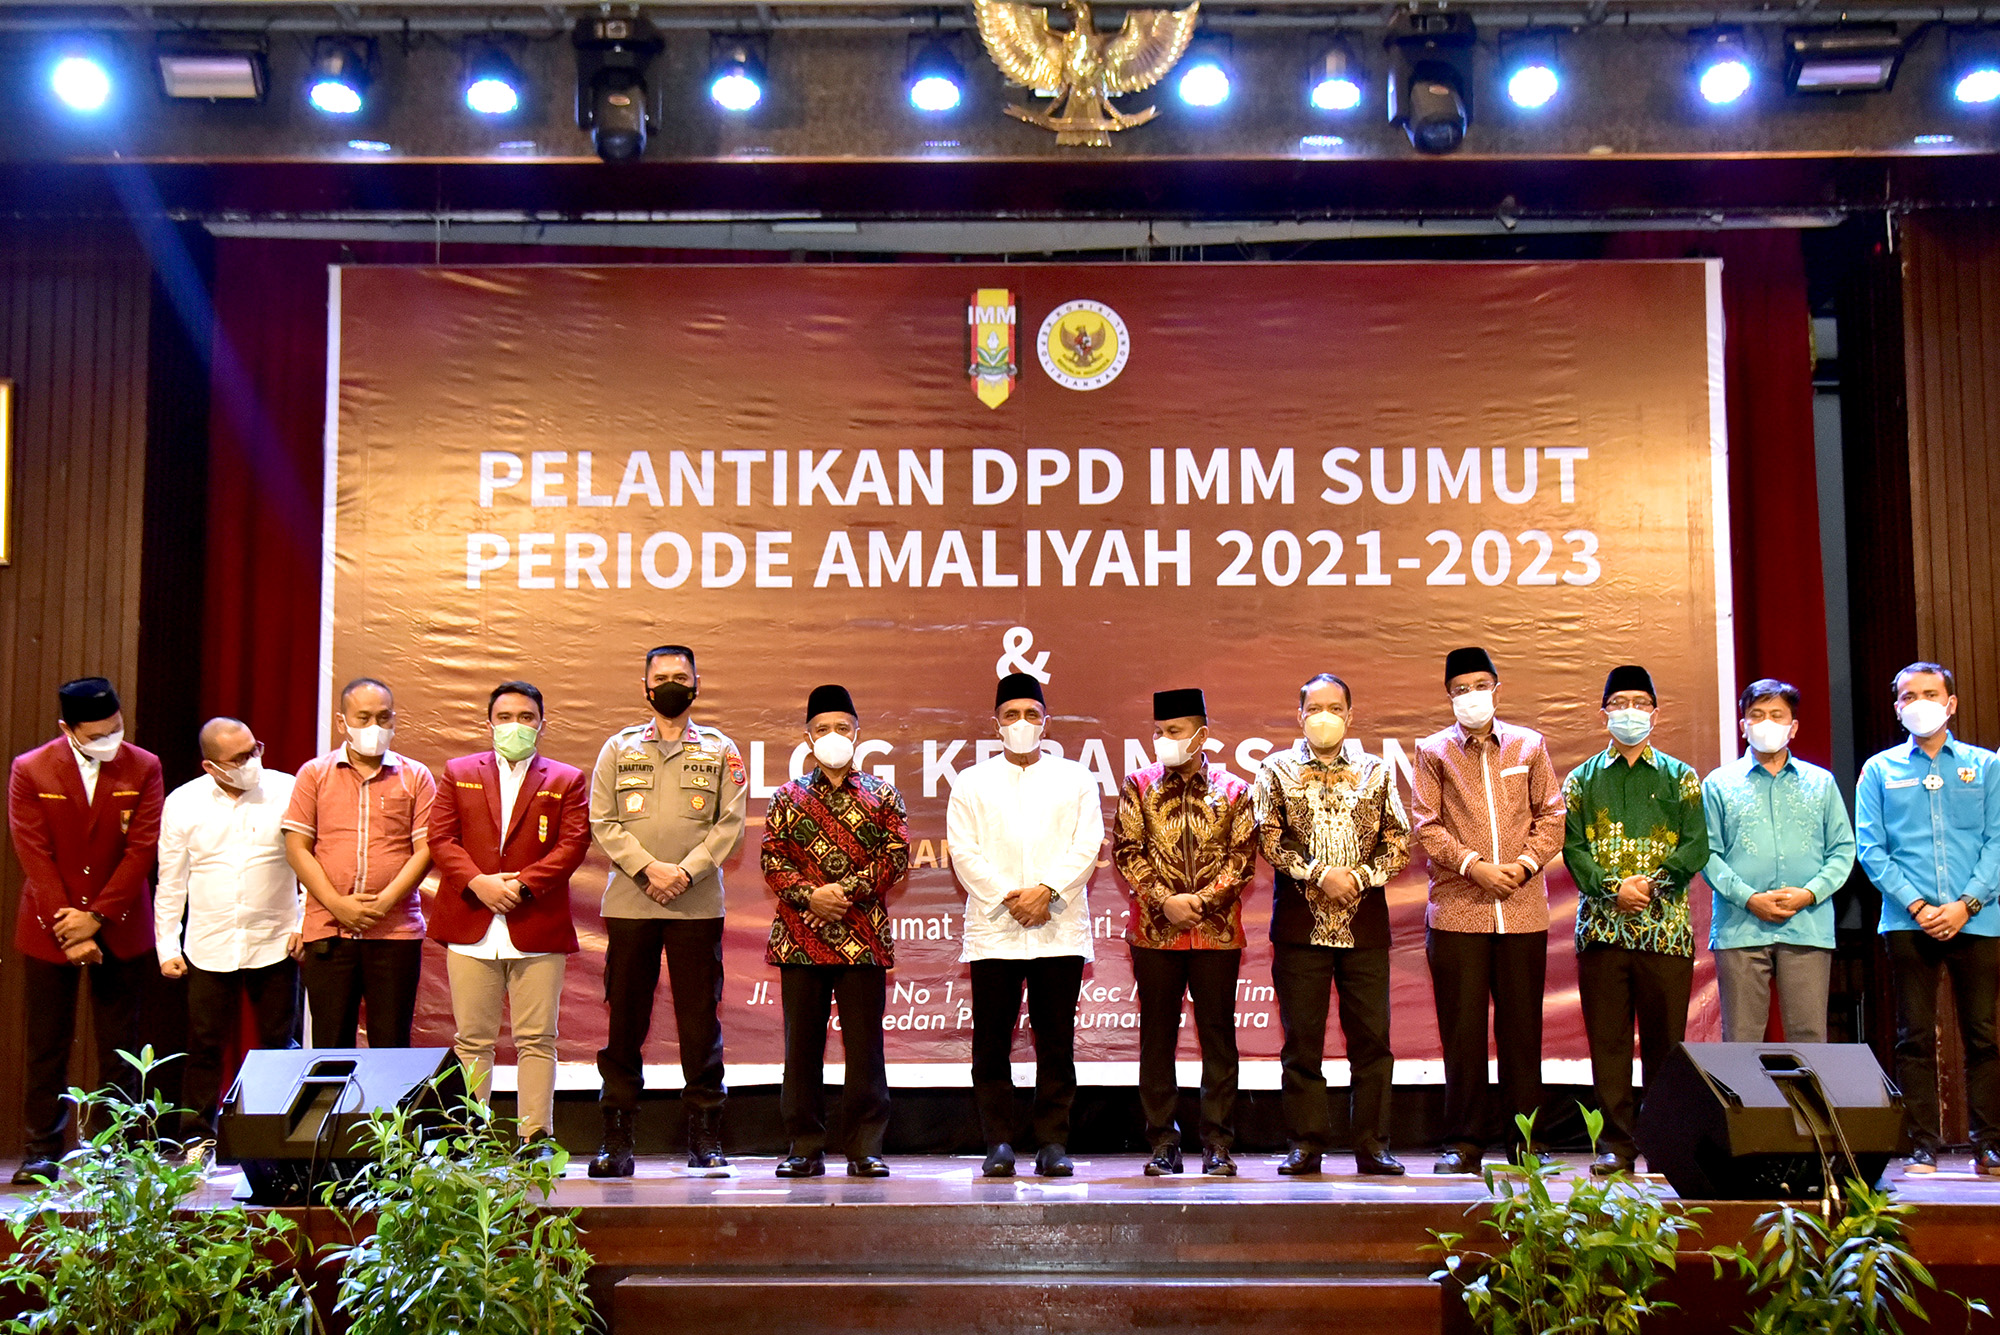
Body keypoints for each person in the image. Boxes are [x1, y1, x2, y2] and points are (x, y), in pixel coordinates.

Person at [587, 645, 747, 1177]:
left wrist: (684, 873)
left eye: (682, 676)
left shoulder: (721, 749)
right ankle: (616, 1139)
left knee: (700, 1024)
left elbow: (730, 824)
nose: (672, 685)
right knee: (625, 1022)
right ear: (646, 687)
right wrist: (649, 869)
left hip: (697, 905)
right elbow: (603, 821)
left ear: (697, 684)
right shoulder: (618, 747)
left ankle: (706, 1137)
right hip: (631, 902)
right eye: (662, 677)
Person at [1410, 647, 1566, 1175]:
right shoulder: (1433, 750)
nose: (1471, 696)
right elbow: (1427, 825)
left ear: (1497, 688)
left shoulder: (1529, 744)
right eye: (1461, 689)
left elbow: (1553, 816)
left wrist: (1522, 866)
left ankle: (1527, 1144)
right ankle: (1463, 1143)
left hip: (1521, 912)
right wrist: (1474, 867)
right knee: (1463, 1034)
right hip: (1458, 912)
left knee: (1522, 1033)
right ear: (1448, 695)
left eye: (1480, 685)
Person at [1252, 673, 1411, 1176]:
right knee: (1302, 1042)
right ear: (1299, 715)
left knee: (1372, 1042)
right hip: (1300, 926)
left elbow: (1398, 838)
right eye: (1315, 708)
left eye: (1335, 708)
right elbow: (1268, 837)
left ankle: (1373, 1145)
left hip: (1364, 926)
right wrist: (1321, 874)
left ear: (1350, 715)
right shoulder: (1274, 770)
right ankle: (1305, 1143)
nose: (1325, 717)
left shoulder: (1376, 770)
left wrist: (1357, 877)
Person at [946, 671, 1103, 1179]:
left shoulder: (1075, 779)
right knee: (992, 1041)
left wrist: (1047, 892)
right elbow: (964, 852)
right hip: (996, 929)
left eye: (1031, 714)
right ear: (996, 725)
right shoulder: (971, 782)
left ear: (1046, 722)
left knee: (1055, 1040)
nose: (1021, 723)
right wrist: (1009, 898)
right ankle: (998, 1142)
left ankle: (1053, 1142)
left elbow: (1087, 845)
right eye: (1011, 715)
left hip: (1058, 927)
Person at [7, 678, 164, 1183]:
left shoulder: (145, 766)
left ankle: (114, 1149)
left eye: (116, 729)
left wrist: (96, 918)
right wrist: (71, 927)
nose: (110, 740)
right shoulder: (31, 769)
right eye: (97, 735)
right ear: (67, 729)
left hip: (119, 922)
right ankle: (41, 1149)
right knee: (47, 1043)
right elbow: (34, 852)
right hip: (50, 922)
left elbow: (142, 849)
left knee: (120, 1044)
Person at [426, 681, 591, 1157]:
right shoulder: (459, 772)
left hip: (536, 921)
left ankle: (535, 1137)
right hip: (471, 921)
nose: (515, 726)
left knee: (537, 1039)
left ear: (542, 724)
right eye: (505, 717)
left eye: (525, 717)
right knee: (472, 1040)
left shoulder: (566, 779)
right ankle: (468, 1140)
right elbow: (441, 839)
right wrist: (478, 883)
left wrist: (521, 886)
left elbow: (573, 845)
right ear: (489, 723)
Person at [1562, 664, 1707, 1175]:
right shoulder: (1580, 780)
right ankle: (1616, 1147)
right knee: (1609, 1046)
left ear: (1655, 713)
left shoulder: (1681, 778)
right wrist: (1612, 889)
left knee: (1667, 1047)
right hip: (1602, 933)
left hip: (1665, 931)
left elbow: (1696, 845)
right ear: (1603, 713)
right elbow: (1573, 849)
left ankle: (1665, 1145)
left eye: (1639, 703)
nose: (1630, 712)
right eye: (1619, 703)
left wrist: (1651, 886)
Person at [1856, 661, 2000, 1175]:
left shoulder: (1986, 766)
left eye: (1930, 694)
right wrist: (1916, 905)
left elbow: (1997, 841)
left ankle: (1990, 1145)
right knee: (1913, 1036)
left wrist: (1967, 903)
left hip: (1978, 919)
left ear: (1951, 703)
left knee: (1983, 1036)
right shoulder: (1879, 770)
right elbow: (1871, 847)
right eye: (1908, 696)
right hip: (1906, 920)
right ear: (1897, 707)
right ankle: (1921, 1145)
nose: (1920, 703)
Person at [762, 685, 909, 1179]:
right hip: (799, 939)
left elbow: (895, 858)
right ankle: (804, 1147)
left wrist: (840, 894)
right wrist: (811, 896)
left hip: (862, 937)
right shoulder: (787, 797)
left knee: (865, 1049)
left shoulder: (883, 795)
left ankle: (865, 1147)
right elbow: (773, 860)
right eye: (822, 728)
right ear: (808, 738)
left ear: (857, 733)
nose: (833, 736)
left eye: (842, 727)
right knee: (801, 1049)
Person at [1112, 687, 1256, 1177]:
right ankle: (1162, 1143)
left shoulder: (1235, 790)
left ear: (1201, 735)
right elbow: (1127, 852)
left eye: (1174, 731)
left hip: (1217, 933)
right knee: (1157, 1038)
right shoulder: (1139, 786)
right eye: (1158, 731)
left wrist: (1202, 902)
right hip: (1155, 934)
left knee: (1218, 1037)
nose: (1164, 740)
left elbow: (1242, 860)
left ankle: (1217, 1143)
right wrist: (1165, 902)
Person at [156, 718, 303, 1142]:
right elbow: (171, 881)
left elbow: (311, 861)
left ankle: (276, 1138)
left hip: (276, 939)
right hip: (209, 942)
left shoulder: (287, 790)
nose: (252, 761)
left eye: (255, 749)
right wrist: (167, 945)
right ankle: (197, 1138)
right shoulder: (183, 802)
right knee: (205, 1044)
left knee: (279, 1043)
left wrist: (304, 921)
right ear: (211, 766)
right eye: (239, 758)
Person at [282, 677, 436, 1050]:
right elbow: (297, 848)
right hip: (329, 931)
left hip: (395, 932)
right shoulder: (314, 774)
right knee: (330, 1044)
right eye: (363, 718)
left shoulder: (416, 776)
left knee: (391, 1045)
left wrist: (384, 903)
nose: (374, 727)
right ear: (342, 722)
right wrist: (337, 905)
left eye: (383, 718)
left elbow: (427, 850)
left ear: (394, 719)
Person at [1702, 679, 1855, 1046]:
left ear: (1793, 726)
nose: (1766, 723)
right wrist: (1749, 898)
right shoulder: (1718, 784)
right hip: (1740, 927)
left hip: (1807, 925)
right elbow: (1706, 854)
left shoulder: (1821, 783)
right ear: (1743, 726)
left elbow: (1842, 850)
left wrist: (1809, 893)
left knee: (1809, 1038)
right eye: (1757, 715)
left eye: (1776, 715)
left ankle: (1806, 1092)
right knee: (1741, 1040)